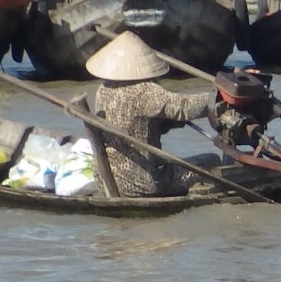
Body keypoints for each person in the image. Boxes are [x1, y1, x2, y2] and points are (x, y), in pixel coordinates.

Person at [77, 31, 218, 197]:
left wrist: (171, 123)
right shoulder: (145, 92)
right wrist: (217, 99)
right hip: (141, 184)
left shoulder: (104, 89)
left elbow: (133, 124)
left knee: (169, 161)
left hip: (105, 179)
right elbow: (184, 107)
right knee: (212, 160)